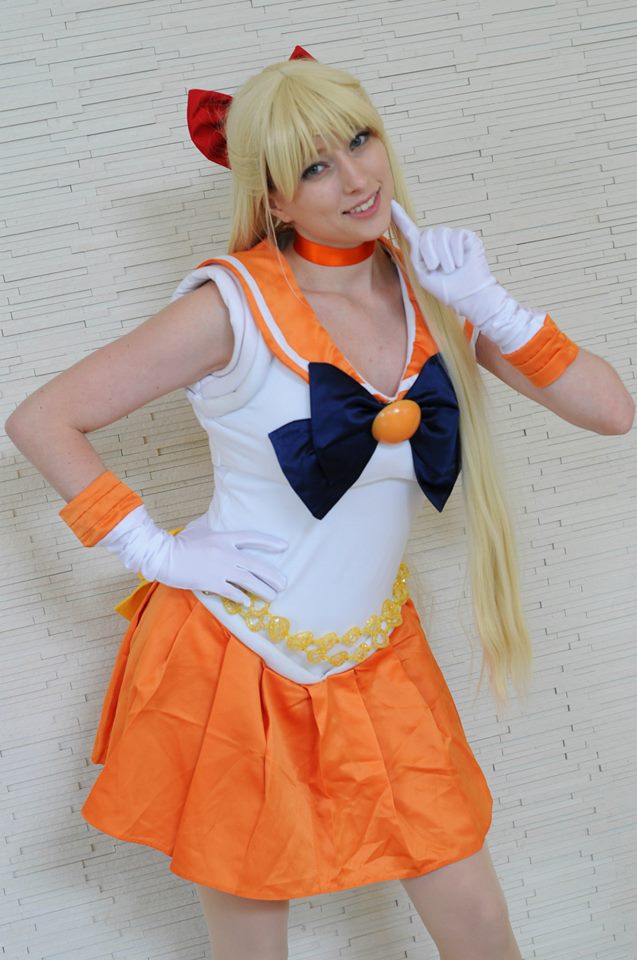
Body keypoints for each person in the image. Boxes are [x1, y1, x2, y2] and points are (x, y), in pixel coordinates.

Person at [4, 50, 633, 960]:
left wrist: (488, 303)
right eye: (313, 166)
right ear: (273, 198)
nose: (356, 178)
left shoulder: (432, 289)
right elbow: (42, 419)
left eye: (359, 140)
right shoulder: (229, 305)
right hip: (234, 659)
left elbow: (611, 412)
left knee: (477, 921)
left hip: (377, 652)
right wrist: (153, 550)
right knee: (254, 945)